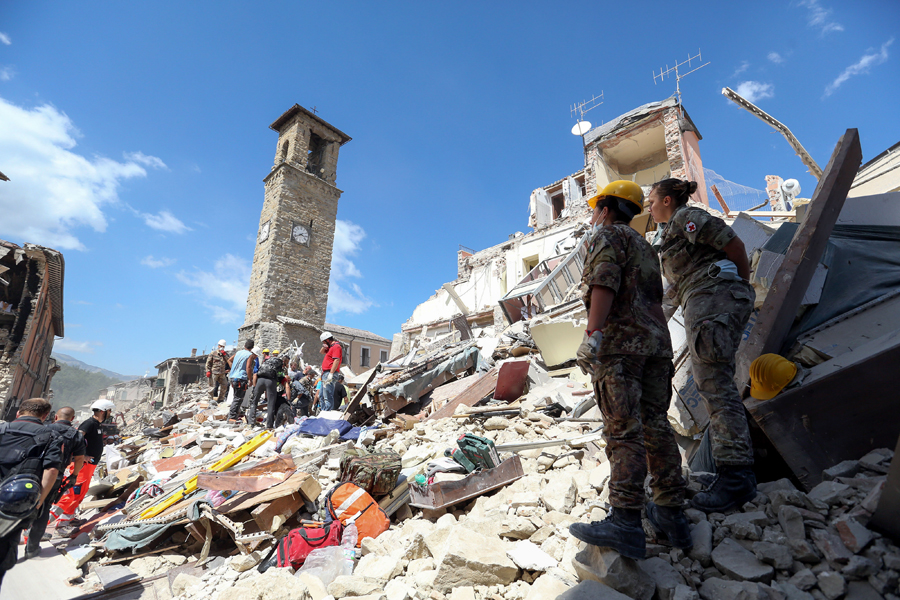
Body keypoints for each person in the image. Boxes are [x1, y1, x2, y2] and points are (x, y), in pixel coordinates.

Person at [568, 181, 689, 560]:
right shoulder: (645, 246)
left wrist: (594, 333)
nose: (593, 216)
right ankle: (671, 515)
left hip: (621, 345)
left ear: (605, 209)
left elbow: (604, 282)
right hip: (657, 346)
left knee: (623, 430)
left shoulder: (607, 235)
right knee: (655, 424)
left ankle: (625, 521)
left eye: (594, 209)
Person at [647, 178, 757, 513]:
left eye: (652, 200)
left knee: (715, 384)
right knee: (711, 384)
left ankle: (736, 479)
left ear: (667, 200)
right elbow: (672, 295)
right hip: (701, 299)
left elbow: (734, 246)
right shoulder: (668, 238)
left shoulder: (685, 218)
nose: (649, 208)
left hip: (714, 297)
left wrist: (737, 284)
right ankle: (732, 473)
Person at [0, 398, 63, 587]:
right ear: (45, 417)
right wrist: (38, 501)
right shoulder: (51, 436)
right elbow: (51, 471)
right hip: (15, 505)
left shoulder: (2, 429)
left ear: (19, 413)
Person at [24, 406, 85, 559]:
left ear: (56, 417)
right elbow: (79, 459)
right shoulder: (76, 435)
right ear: (72, 419)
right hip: (54, 476)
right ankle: (31, 548)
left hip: (32, 473)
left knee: (22, 502)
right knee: (44, 508)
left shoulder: (42, 428)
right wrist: (74, 475)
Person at [51, 399, 114, 529]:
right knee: (71, 493)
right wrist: (82, 455)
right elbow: (78, 437)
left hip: (89, 466)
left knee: (79, 494)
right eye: (109, 411)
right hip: (81, 465)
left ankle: (67, 520)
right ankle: (46, 524)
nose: (110, 413)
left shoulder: (97, 425)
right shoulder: (89, 423)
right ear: (103, 411)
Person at [248, 350, 284, 428]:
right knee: (271, 404)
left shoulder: (265, 363)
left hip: (260, 380)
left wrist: (255, 387)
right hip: (271, 381)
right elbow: (281, 377)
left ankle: (251, 423)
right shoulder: (278, 365)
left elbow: (255, 375)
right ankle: (269, 425)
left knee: (254, 402)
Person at [227, 340, 256, 424]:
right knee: (238, 399)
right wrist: (250, 379)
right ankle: (231, 418)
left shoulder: (238, 352)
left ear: (244, 345)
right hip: (241, 378)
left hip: (233, 377)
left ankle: (234, 415)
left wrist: (234, 369)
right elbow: (248, 367)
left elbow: (229, 360)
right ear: (252, 348)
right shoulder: (250, 355)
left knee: (236, 397)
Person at [318, 332, 343, 412]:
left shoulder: (336, 347)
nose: (323, 343)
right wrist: (324, 346)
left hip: (329, 373)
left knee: (327, 396)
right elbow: (321, 352)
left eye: (324, 342)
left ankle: (327, 414)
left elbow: (336, 360)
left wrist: (331, 373)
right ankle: (323, 412)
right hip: (325, 374)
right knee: (321, 396)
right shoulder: (330, 347)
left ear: (328, 340)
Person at [206, 339, 233, 405]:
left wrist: (224, 355)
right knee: (212, 387)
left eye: (223, 346)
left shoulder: (225, 354)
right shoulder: (213, 353)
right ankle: (210, 400)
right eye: (221, 346)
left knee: (225, 385)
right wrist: (208, 371)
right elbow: (208, 363)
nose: (222, 347)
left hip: (222, 373)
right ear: (218, 346)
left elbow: (228, 361)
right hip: (214, 373)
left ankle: (220, 399)